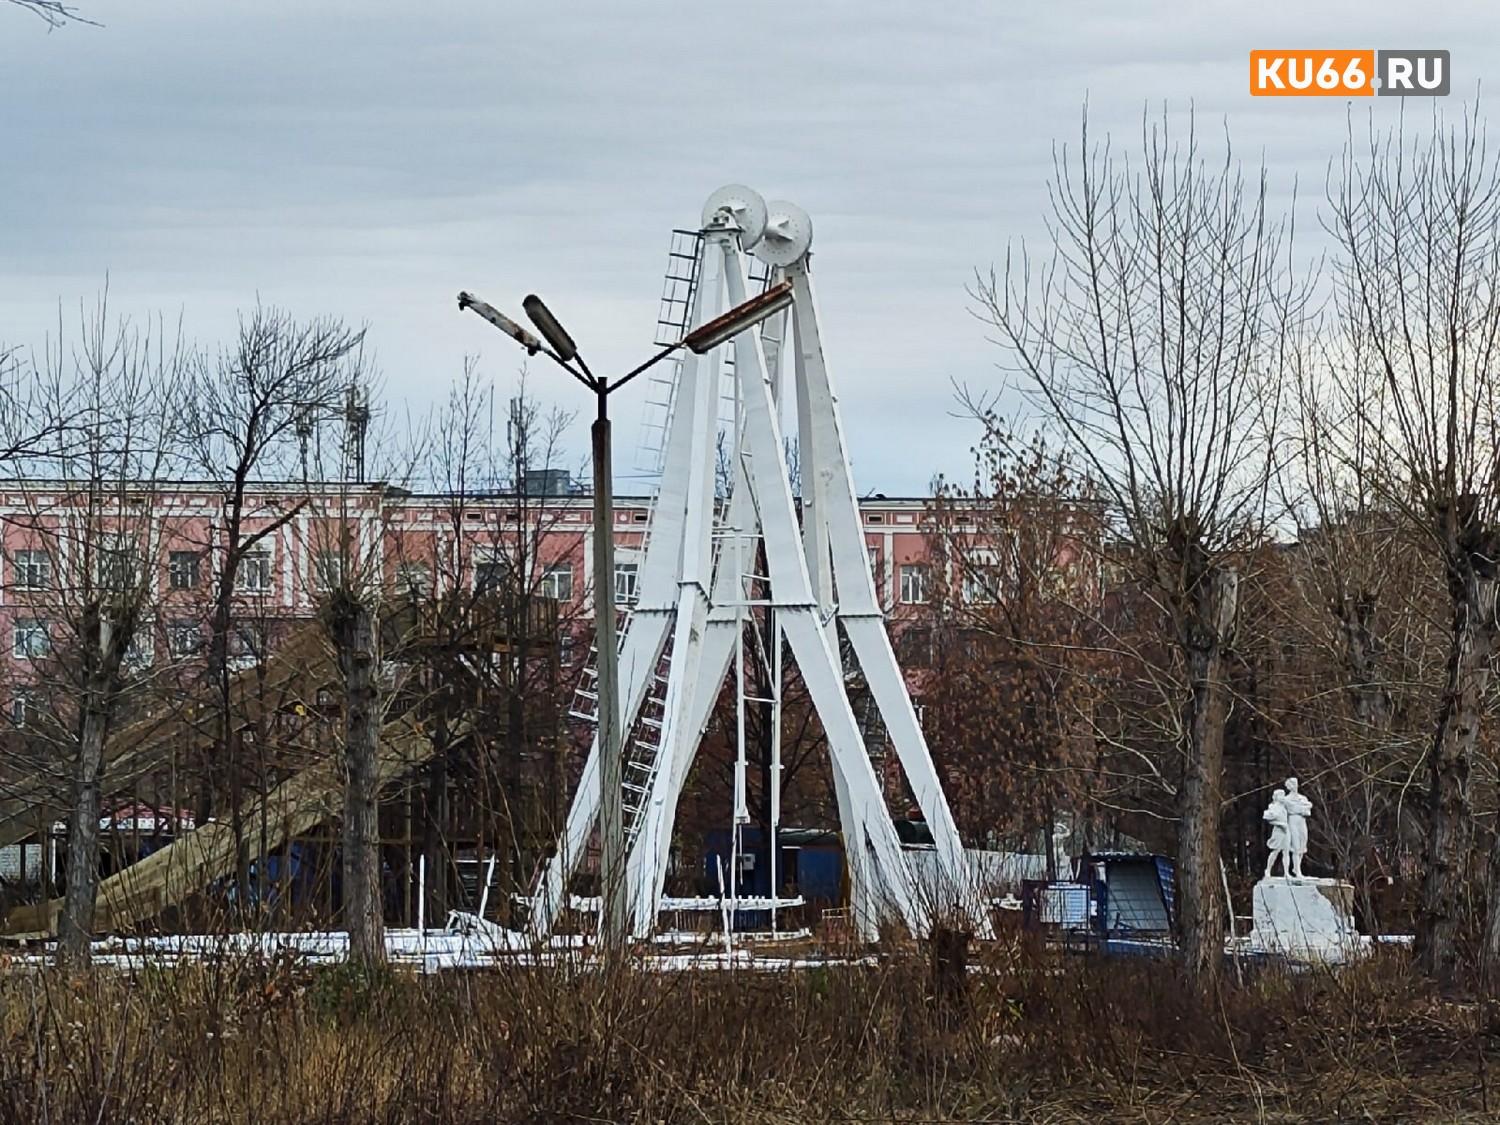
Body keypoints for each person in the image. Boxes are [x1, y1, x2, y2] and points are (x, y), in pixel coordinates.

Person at [1282, 777, 1313, 879]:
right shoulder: (1286, 799)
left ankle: (1296, 867)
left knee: (1303, 844)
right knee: (1295, 846)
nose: (1294, 785)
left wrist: (1301, 809)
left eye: (1295, 783)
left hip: (1301, 821)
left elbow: (1308, 811)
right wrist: (1301, 808)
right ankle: (1297, 871)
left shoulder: (1302, 798)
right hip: (1293, 821)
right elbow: (1289, 810)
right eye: (1292, 784)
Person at [1263, 789, 1289, 879]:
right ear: (1276, 797)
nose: (1283, 797)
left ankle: (1286, 872)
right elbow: (1268, 818)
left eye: (1283, 795)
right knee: (1276, 851)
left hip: (1286, 830)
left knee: (1286, 851)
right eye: (1280, 795)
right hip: (1279, 831)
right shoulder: (1273, 807)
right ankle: (1268, 869)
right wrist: (1280, 824)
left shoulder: (1284, 807)